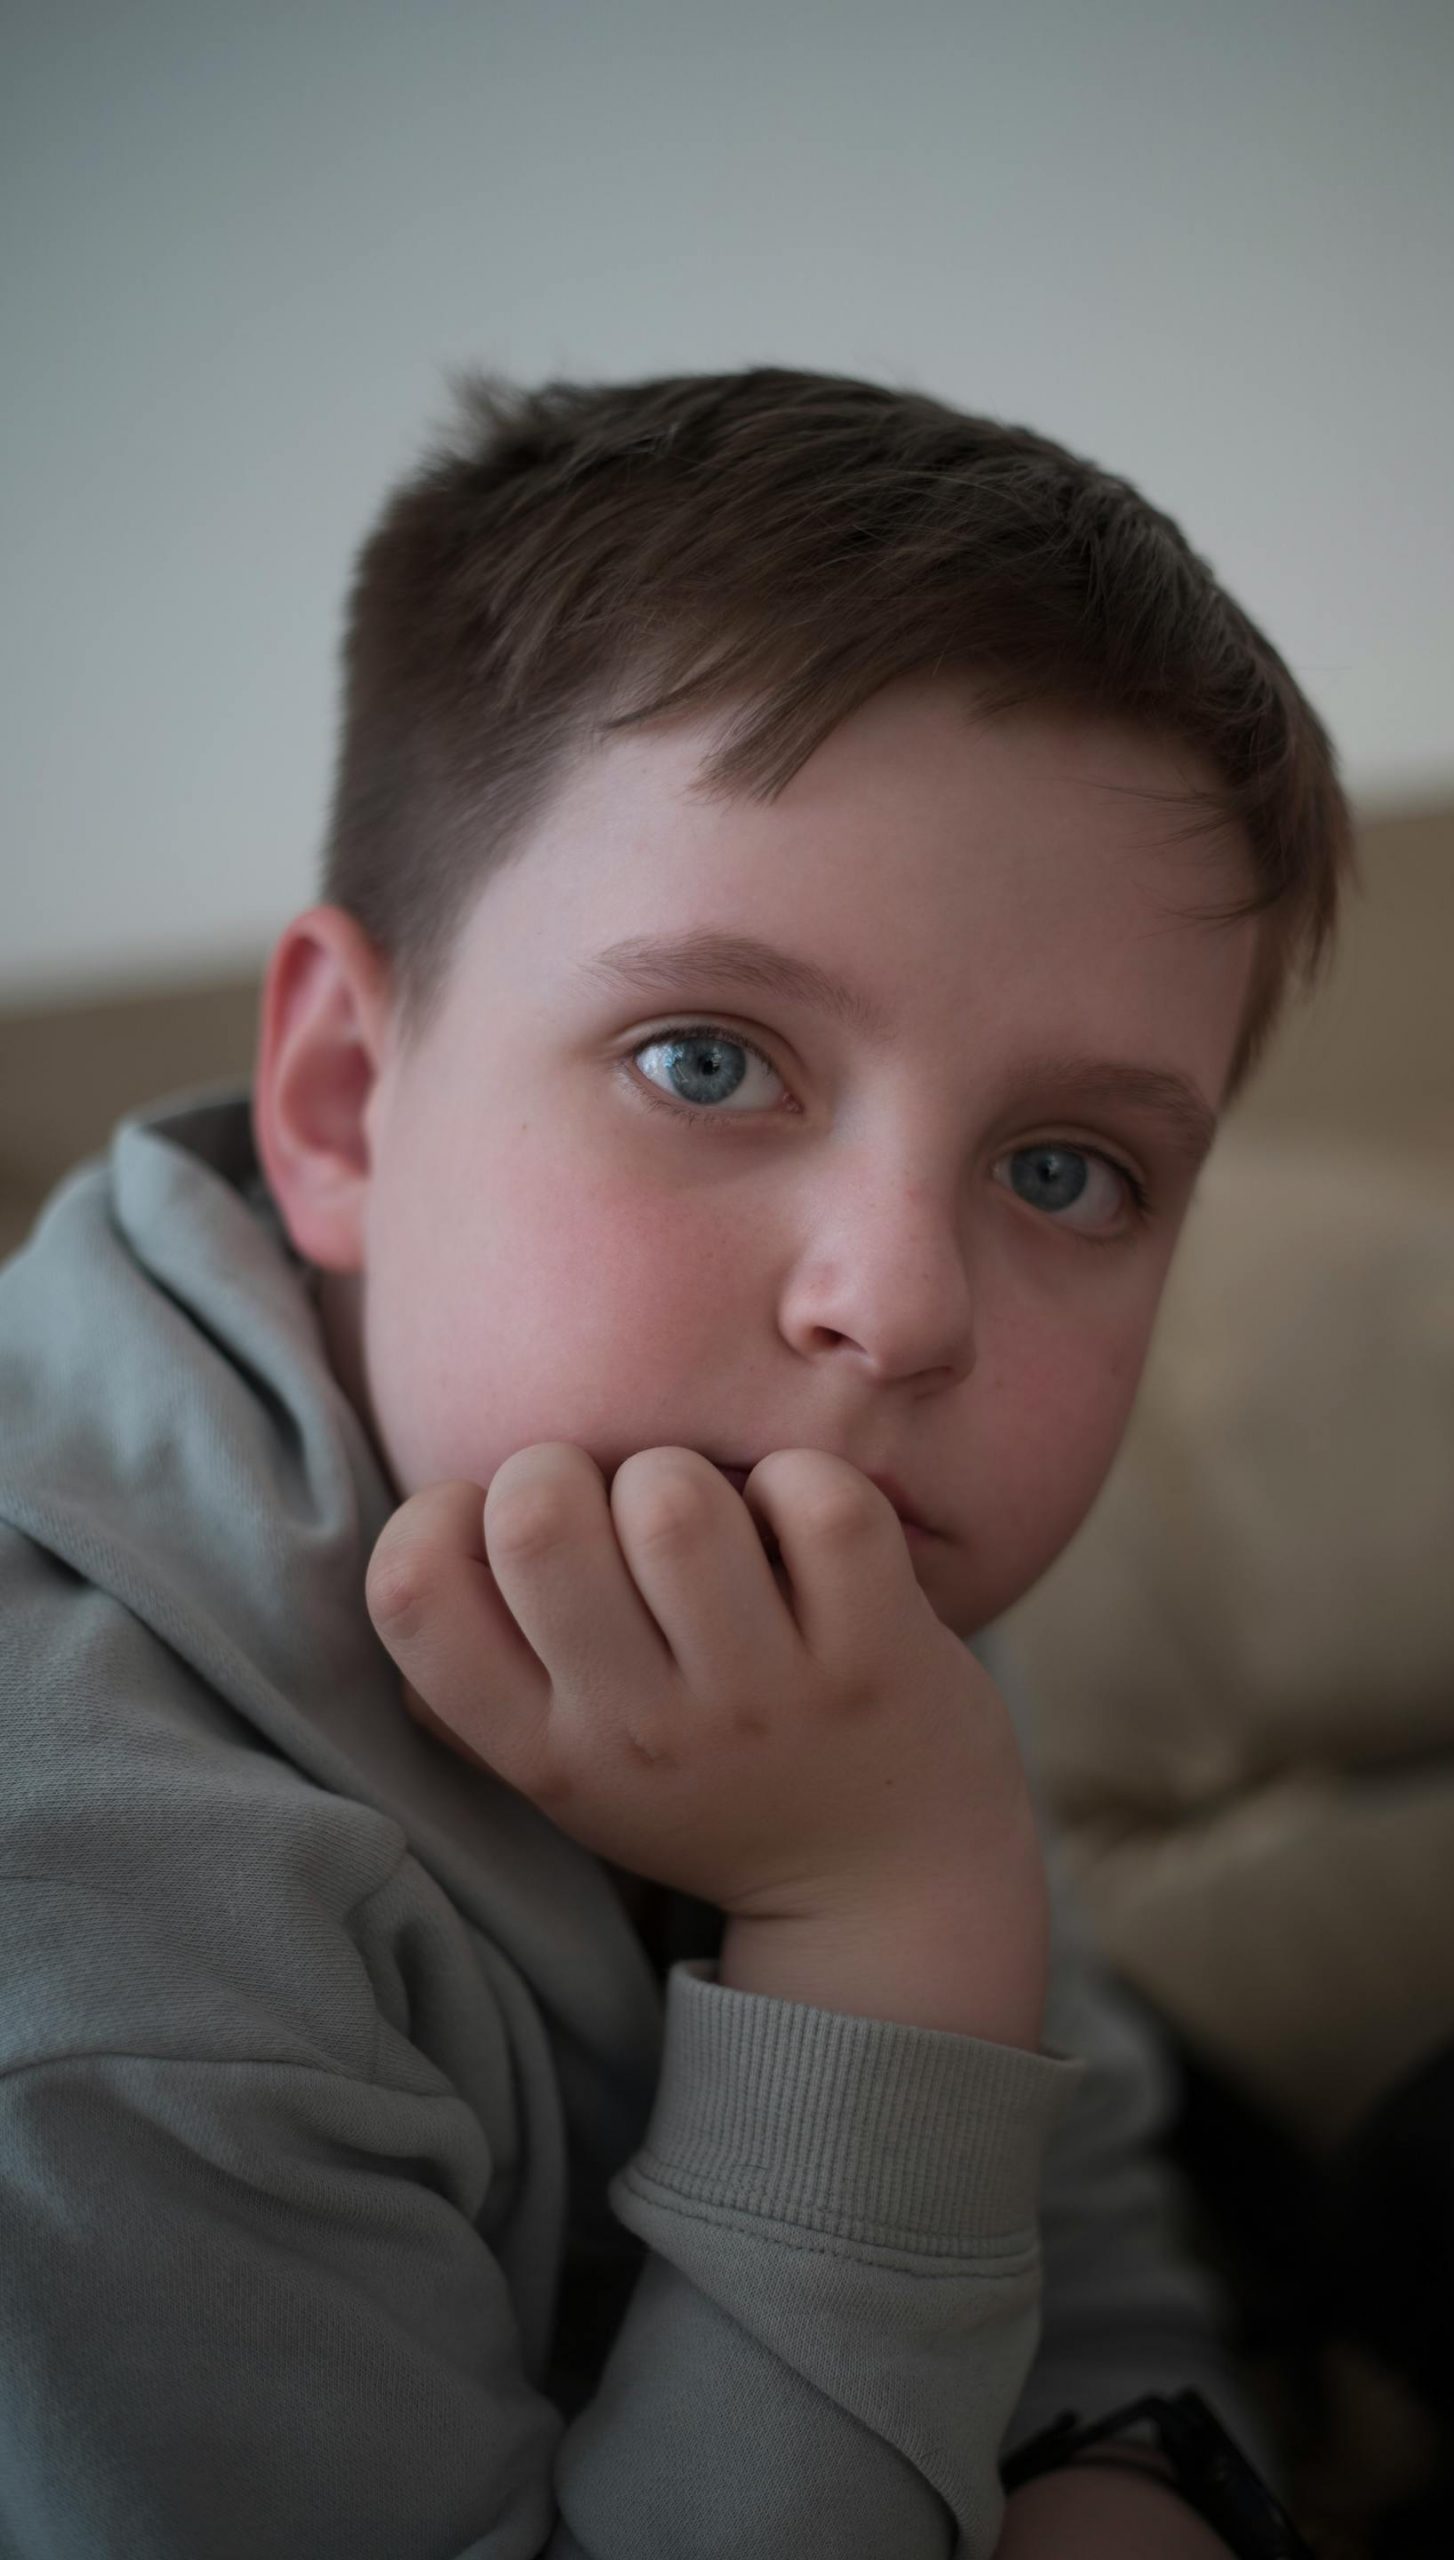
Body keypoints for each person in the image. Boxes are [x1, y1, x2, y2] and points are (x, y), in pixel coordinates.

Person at [0, 366, 1353, 2558]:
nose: (897, 1306)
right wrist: (881, 1920)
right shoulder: (89, 1927)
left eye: (1066, 1168)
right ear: (345, 1096)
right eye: (704, 1056)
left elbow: (1090, 2249)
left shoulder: (779, 1548)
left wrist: (1134, 2480)